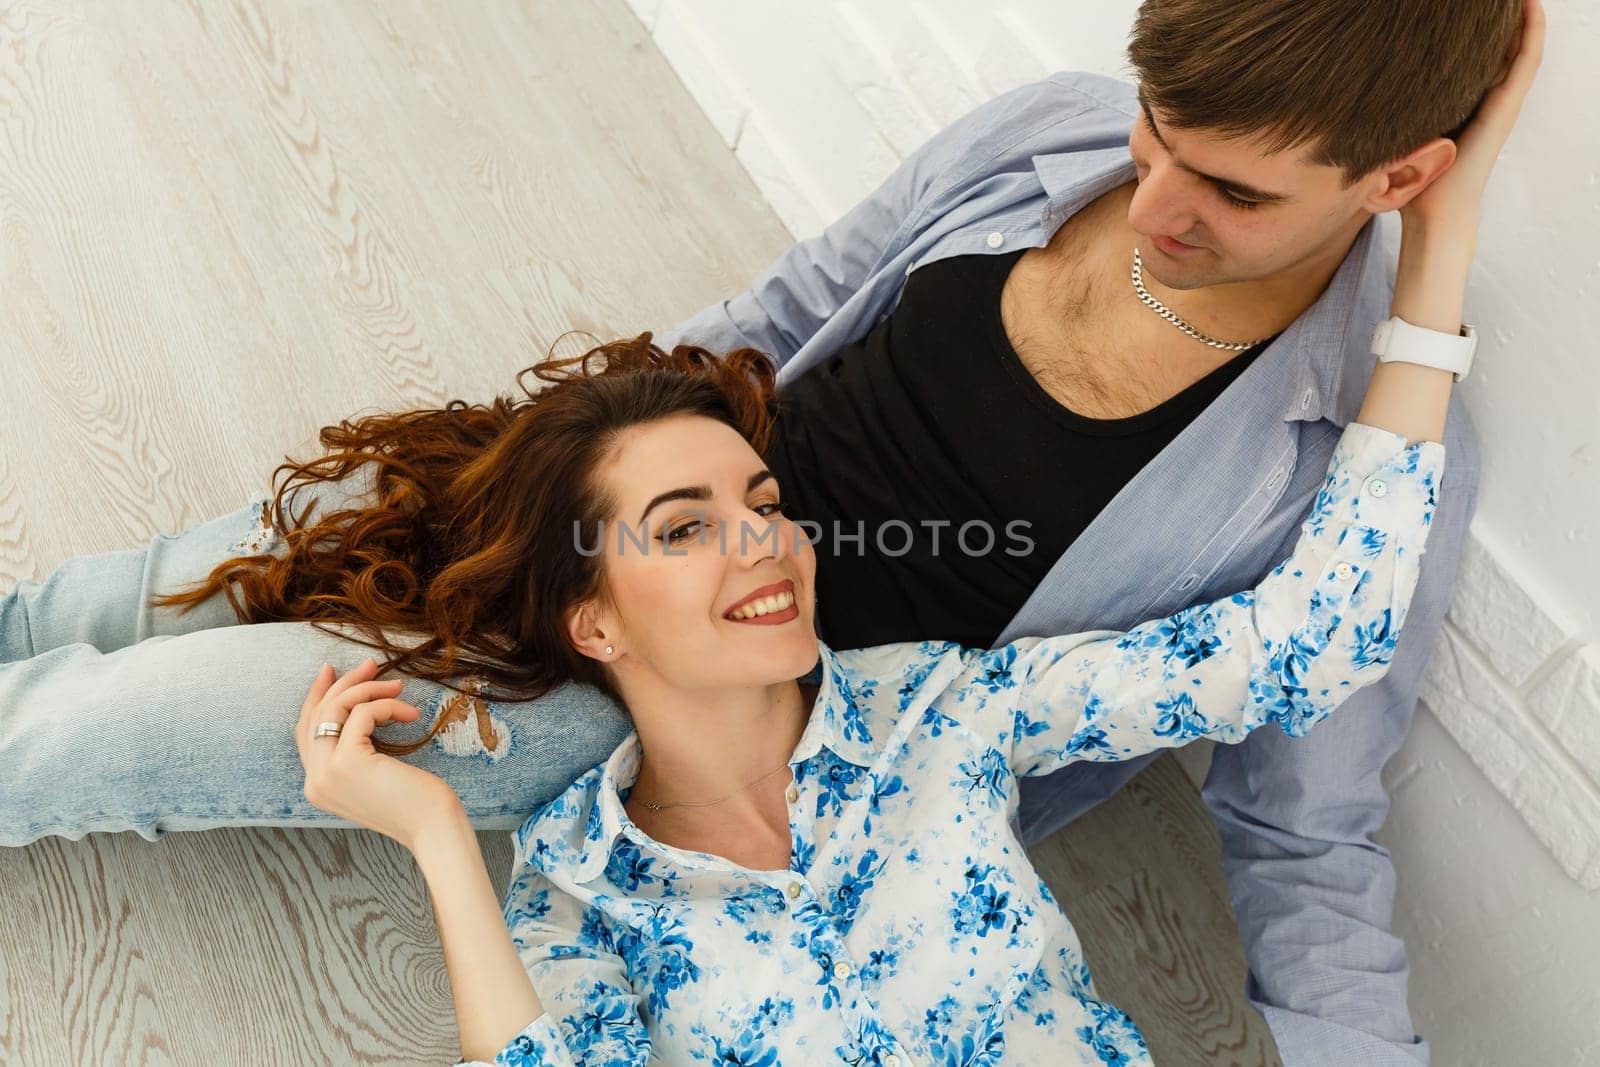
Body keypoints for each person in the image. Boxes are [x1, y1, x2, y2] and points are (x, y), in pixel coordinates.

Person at [0, 0, 1540, 1062]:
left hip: (717, 724)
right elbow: (782, 315)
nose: (1152, 203)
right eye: (1155, 133)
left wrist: (1441, 266)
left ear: (1399, 177)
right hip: (643, 511)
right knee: (188, 581)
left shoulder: (1364, 453)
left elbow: (1305, 818)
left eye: (1231, 192)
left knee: (110, 733)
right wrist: (560, 469)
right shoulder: (1050, 136)